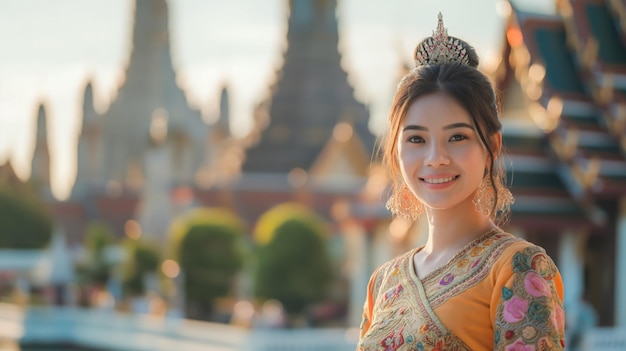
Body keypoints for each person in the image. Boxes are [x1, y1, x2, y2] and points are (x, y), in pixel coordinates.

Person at [357, 13, 565, 350]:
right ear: (395, 151)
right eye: (416, 140)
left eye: (457, 137)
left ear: (491, 147)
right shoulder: (383, 282)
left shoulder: (519, 266)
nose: (435, 157)